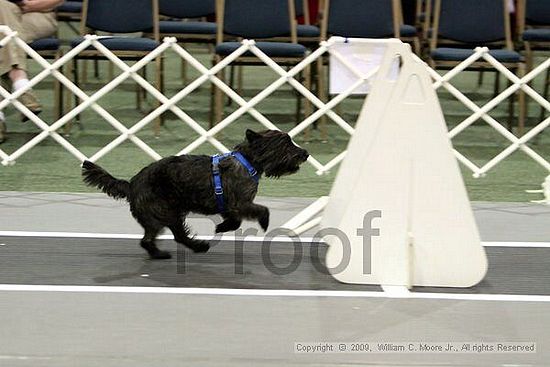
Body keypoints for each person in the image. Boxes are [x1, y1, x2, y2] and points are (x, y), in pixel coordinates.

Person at [0, 0, 64, 143]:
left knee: (3, 30)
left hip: (36, 16)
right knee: (3, 8)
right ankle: (21, 83)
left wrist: (30, 5)